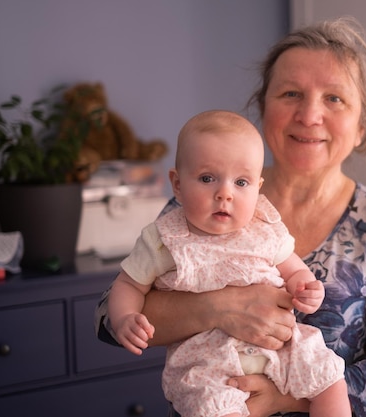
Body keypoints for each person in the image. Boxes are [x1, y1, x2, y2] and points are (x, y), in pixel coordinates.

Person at [95, 16, 366, 417]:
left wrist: (286, 398)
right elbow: (108, 320)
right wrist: (217, 307)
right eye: (290, 93)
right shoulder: (204, 199)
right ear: (262, 109)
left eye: (334, 98)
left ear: (361, 126)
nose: (309, 115)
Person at [107, 110, 350, 417]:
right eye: (207, 178)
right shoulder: (164, 239)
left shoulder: (264, 228)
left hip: (284, 348)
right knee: (214, 408)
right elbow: (128, 284)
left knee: (329, 379)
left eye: (241, 182)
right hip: (208, 364)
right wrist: (124, 317)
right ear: (178, 185)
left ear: (257, 188)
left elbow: (294, 269)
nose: (225, 193)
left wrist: (305, 287)